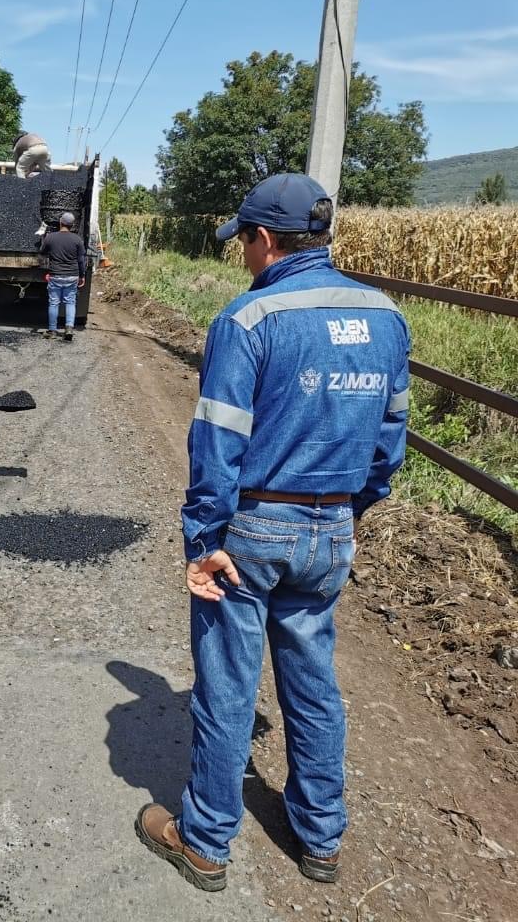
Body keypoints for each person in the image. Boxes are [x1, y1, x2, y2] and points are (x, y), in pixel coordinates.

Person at [134, 174, 411, 892]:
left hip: (254, 527)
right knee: (313, 681)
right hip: (332, 529)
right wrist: (352, 509)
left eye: (245, 244)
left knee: (228, 686)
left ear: (263, 240)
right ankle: (321, 838)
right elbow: (390, 438)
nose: (244, 257)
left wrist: (202, 541)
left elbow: (218, 444)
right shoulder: (385, 317)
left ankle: (204, 843)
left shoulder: (249, 320)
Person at [39, 211, 86, 340]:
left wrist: (44, 239)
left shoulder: (51, 237)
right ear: (72, 225)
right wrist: (82, 275)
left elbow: (42, 253)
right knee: (70, 302)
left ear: (61, 222)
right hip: (72, 276)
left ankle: (52, 331)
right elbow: (81, 260)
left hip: (55, 275)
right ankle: (69, 328)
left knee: (54, 303)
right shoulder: (77, 240)